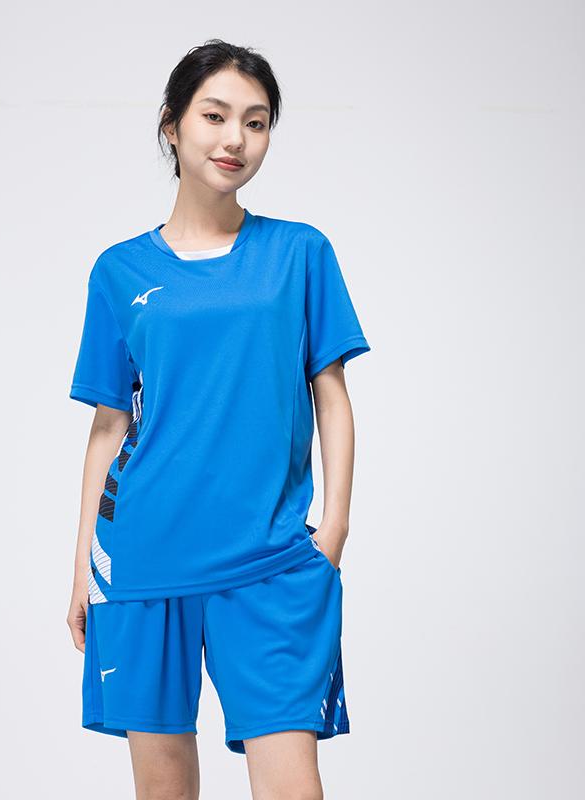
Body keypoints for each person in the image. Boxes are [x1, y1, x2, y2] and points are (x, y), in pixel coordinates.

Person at [66, 39, 371, 799]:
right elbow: (108, 427)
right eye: (215, 116)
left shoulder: (298, 253)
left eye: (256, 122)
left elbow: (331, 394)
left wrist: (334, 529)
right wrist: (81, 568)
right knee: (164, 790)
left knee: (291, 785)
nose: (236, 138)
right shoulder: (119, 271)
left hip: (270, 557)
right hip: (141, 556)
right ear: (172, 125)